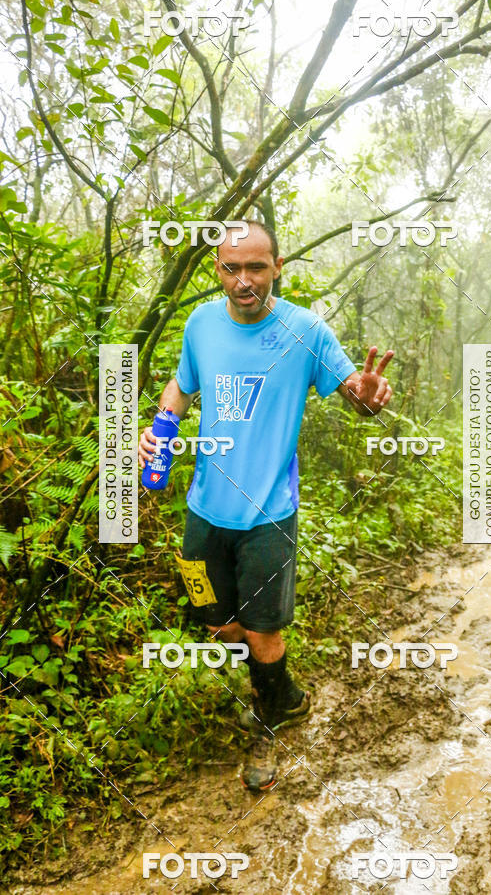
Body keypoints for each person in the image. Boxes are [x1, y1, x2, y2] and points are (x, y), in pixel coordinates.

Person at [138, 220, 394, 791]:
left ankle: (270, 715)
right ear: (218, 272)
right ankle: (279, 689)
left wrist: (369, 399)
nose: (244, 279)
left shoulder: (306, 331)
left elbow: (356, 392)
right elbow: (181, 386)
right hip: (205, 509)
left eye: (257, 267)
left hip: (268, 514)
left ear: (278, 267)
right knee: (218, 622)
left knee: (263, 630)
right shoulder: (200, 323)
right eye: (233, 268)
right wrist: (160, 428)